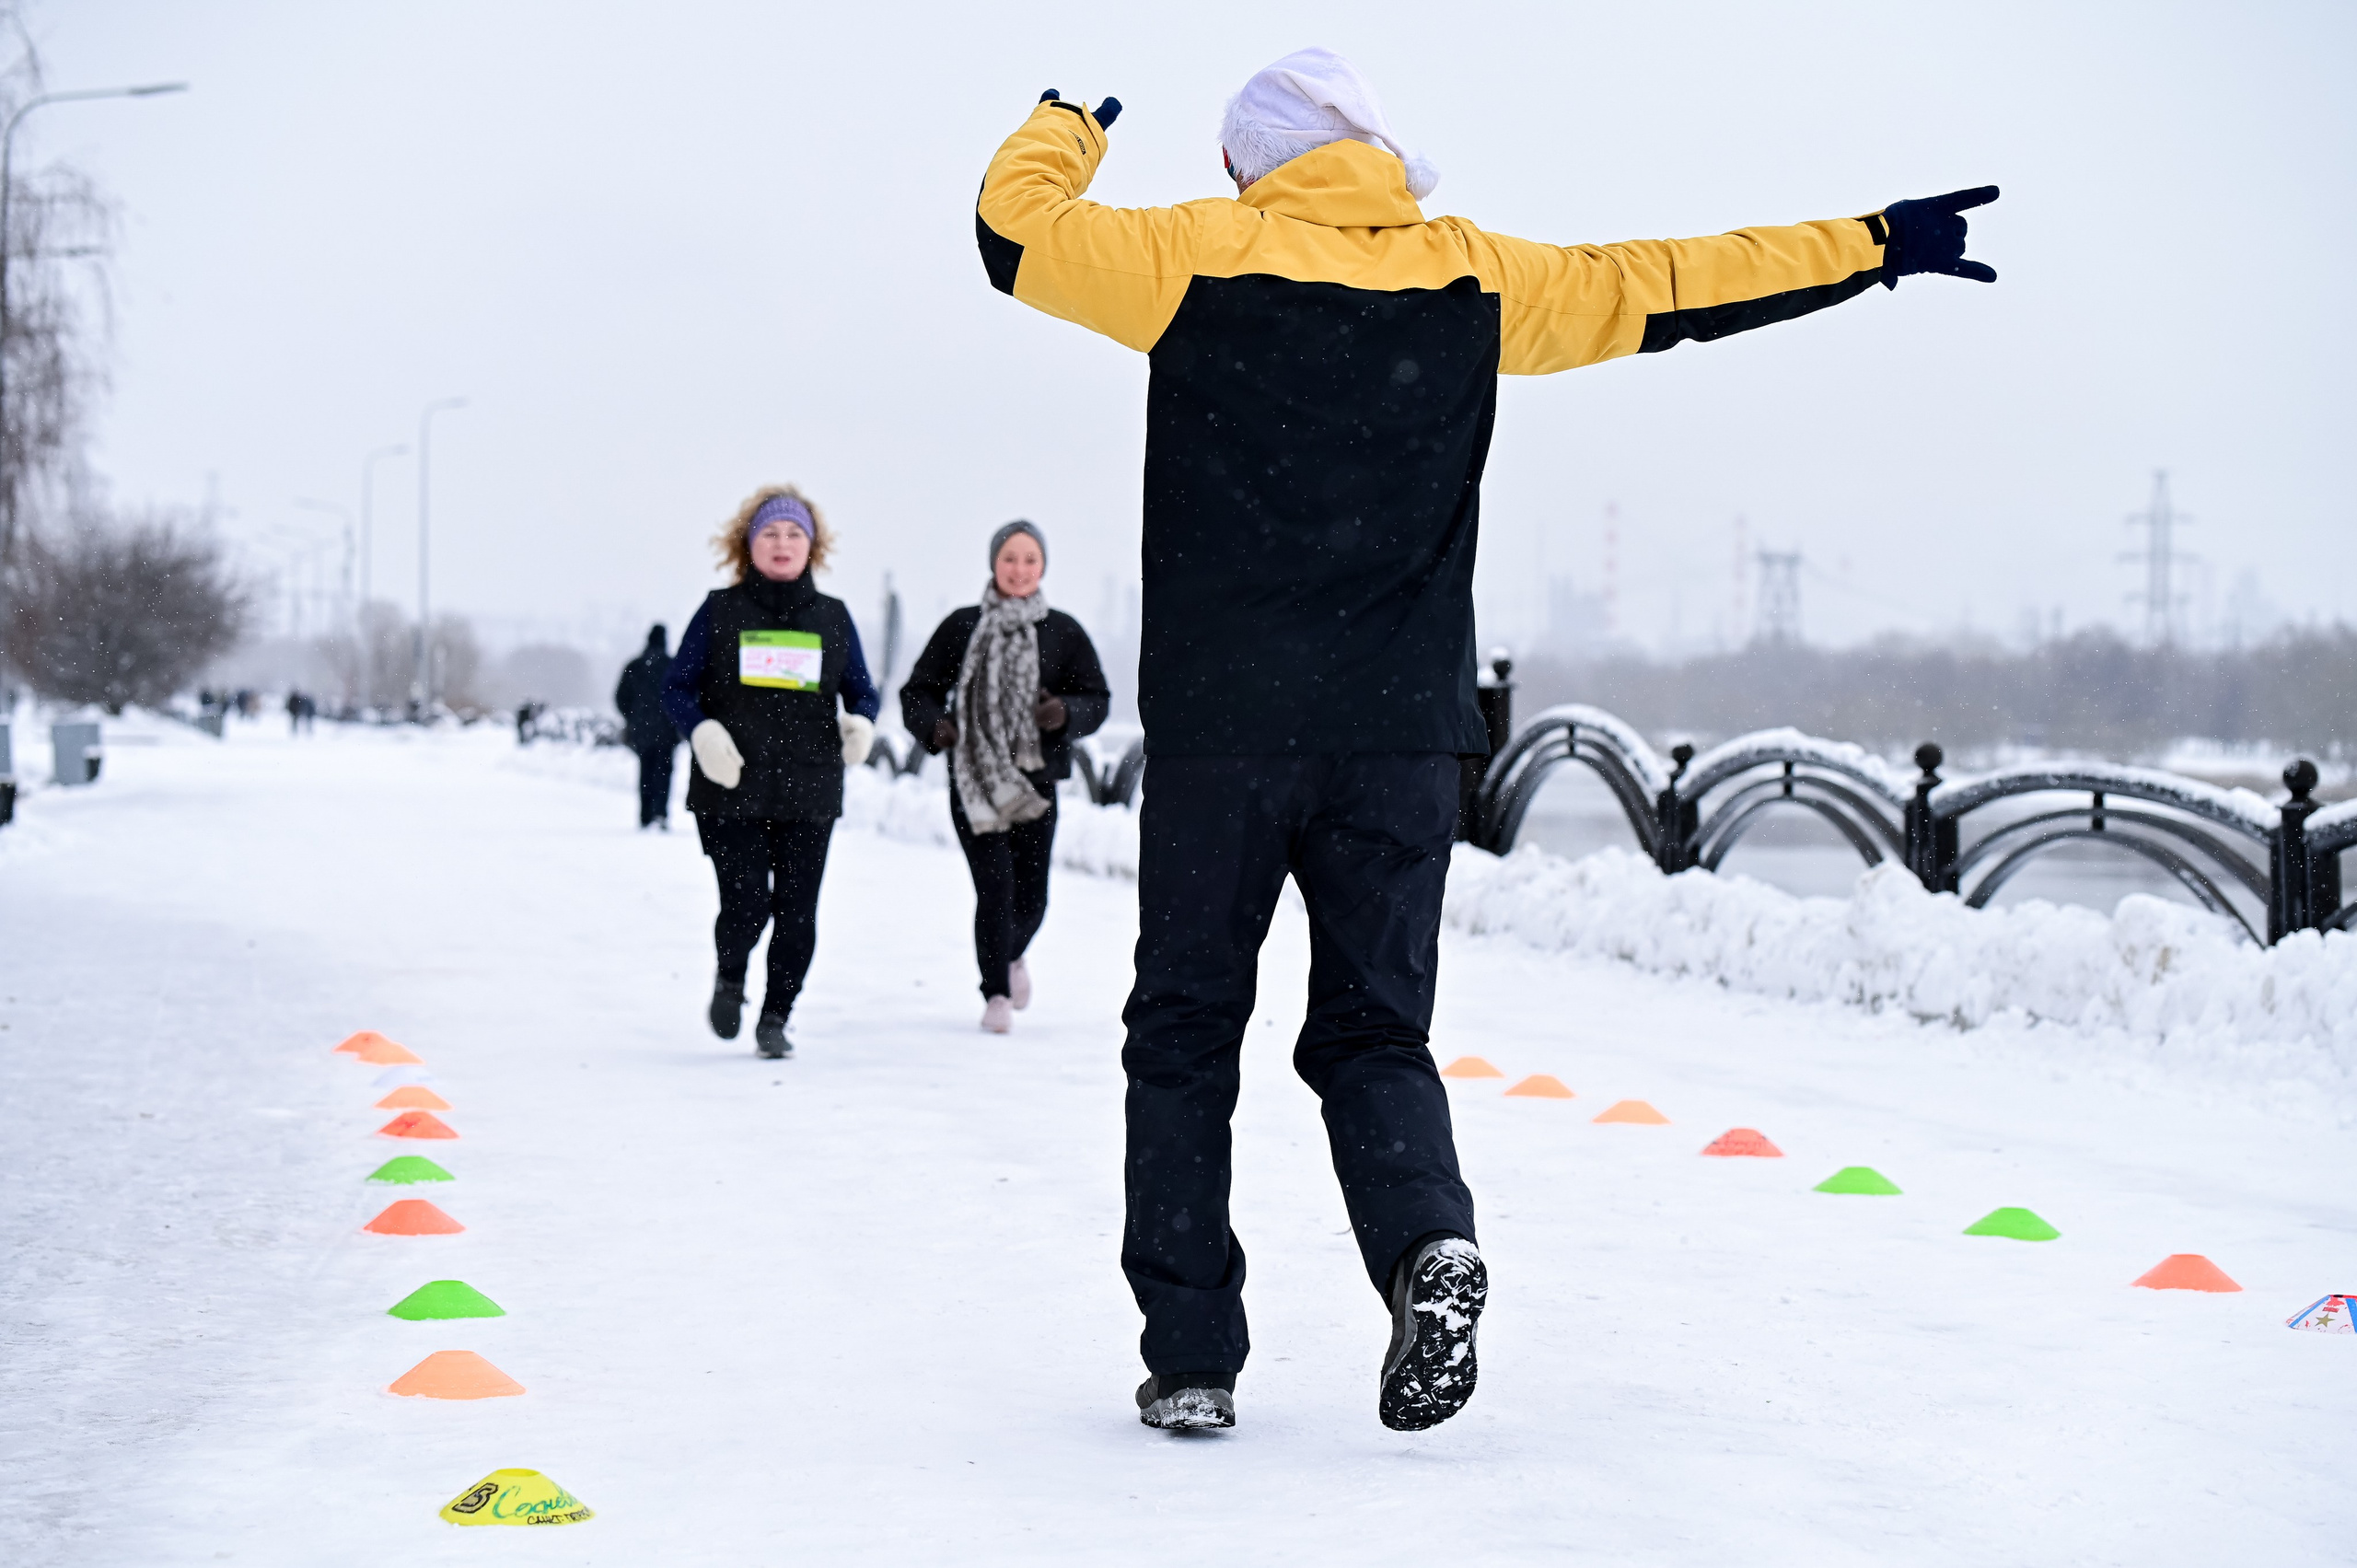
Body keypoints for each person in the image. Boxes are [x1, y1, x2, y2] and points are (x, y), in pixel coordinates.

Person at [974, 50, 1997, 1432]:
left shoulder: (1193, 254)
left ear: (1253, 162)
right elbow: (1682, 283)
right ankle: (1423, 1248)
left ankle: (1196, 1355)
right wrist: (1874, 244)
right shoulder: (1474, 274)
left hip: (1228, 733)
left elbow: (1011, 232)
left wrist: (1061, 127)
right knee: (1374, 1029)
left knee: (1185, 1028)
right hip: (1402, 733)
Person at [660, 485, 880, 1060]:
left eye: (794, 534)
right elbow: (677, 687)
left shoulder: (833, 617)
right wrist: (702, 732)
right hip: (731, 785)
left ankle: (777, 1015)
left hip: (810, 785)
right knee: (746, 901)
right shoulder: (719, 611)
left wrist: (861, 723)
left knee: (798, 911)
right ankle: (731, 974)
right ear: (748, 544)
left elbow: (861, 689)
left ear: (812, 546)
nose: (782, 544)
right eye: (770, 534)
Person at [900, 521, 1110, 1034]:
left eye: (1030, 559)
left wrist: (1065, 713)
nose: (1019, 569)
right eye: (1010, 558)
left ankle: (1010, 955)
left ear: (1043, 567)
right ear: (994, 563)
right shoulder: (962, 626)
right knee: (995, 888)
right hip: (973, 780)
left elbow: (1097, 699)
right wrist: (937, 726)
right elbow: (917, 692)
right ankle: (994, 991)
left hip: (1036, 779)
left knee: (1032, 895)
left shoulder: (1063, 631)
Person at [615, 624, 678, 830]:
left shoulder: (635, 666)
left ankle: (645, 814)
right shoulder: (672, 666)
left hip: (641, 730)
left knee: (646, 771)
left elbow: (621, 697)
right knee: (664, 771)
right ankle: (660, 813)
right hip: (667, 730)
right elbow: (684, 695)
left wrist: (632, 718)